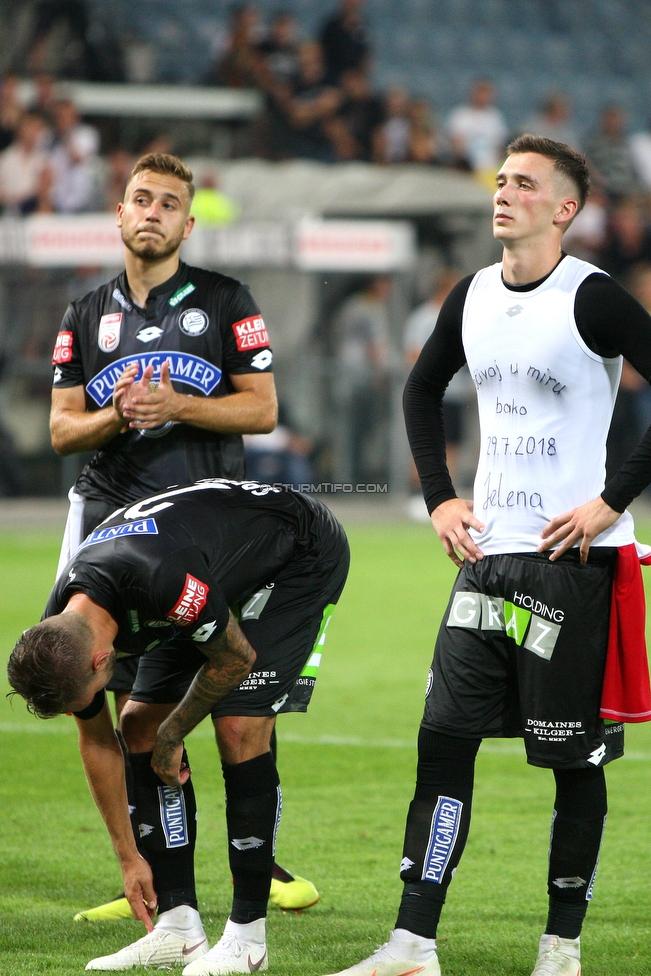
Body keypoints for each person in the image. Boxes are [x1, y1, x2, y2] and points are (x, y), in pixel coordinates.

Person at [323, 134, 651, 976]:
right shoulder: (468, 295)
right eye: (499, 180)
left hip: (571, 570)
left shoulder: (594, 299)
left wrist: (613, 501)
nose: (502, 194)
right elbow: (419, 387)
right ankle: (411, 942)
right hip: (483, 564)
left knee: (570, 762)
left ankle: (560, 947)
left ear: (565, 208)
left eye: (524, 184)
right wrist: (438, 495)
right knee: (442, 741)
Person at [49, 151, 316, 918]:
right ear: (120, 212)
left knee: (231, 700)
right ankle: (146, 871)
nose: (154, 212)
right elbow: (64, 430)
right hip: (107, 528)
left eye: (170, 203)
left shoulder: (228, 301)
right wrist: (118, 415)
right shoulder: (83, 315)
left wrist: (177, 406)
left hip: (206, 533)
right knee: (111, 701)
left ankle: (254, 864)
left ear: (188, 223)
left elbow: (261, 410)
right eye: (142, 199)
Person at [8, 477, 350, 974]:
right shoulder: (61, 627)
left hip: (297, 550)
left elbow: (235, 657)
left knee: (237, 725)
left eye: (84, 697)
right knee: (137, 723)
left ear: (101, 659)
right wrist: (128, 857)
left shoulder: (161, 578)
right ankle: (178, 928)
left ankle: (248, 939)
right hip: (199, 568)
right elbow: (98, 740)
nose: (84, 707)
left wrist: (174, 737)